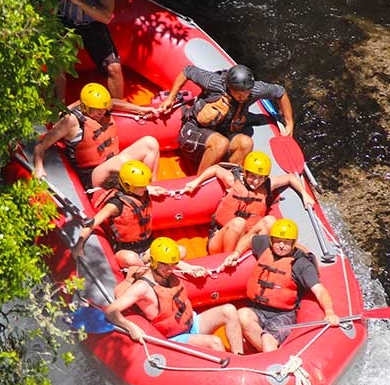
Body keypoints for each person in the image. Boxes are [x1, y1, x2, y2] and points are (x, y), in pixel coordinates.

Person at [105, 237, 244, 352]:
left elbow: (174, 264)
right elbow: (111, 311)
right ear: (154, 262)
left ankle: (239, 359)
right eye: (166, 265)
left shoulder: (168, 270)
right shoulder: (143, 287)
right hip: (174, 337)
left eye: (173, 264)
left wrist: (189, 267)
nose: (170, 269)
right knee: (215, 342)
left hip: (191, 323)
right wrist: (131, 327)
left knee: (229, 310)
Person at [226, 218, 340, 353]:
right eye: (278, 241)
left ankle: (271, 356)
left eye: (286, 243)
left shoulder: (301, 264)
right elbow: (251, 239)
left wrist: (329, 312)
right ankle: (263, 349)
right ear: (271, 240)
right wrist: (236, 253)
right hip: (258, 309)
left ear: (293, 244)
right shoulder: (265, 246)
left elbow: (320, 291)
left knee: (268, 342)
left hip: (283, 314)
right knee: (242, 314)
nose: (281, 245)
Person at [156, 63, 295, 173]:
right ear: (229, 87)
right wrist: (170, 99)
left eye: (246, 93)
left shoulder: (255, 90)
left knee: (246, 143)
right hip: (194, 131)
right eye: (238, 93)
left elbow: (280, 92)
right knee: (220, 143)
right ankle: (202, 182)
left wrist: (289, 124)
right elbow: (187, 71)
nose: (243, 97)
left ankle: (226, 179)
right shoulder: (214, 83)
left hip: (223, 132)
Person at [74, 160, 204, 275]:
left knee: (180, 251)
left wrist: (153, 189)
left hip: (148, 247)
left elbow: (147, 188)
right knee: (130, 259)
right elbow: (92, 223)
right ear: (127, 186)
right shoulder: (115, 205)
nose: (144, 188)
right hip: (126, 250)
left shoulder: (143, 191)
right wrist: (78, 245)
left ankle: (165, 266)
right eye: (140, 187)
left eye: (144, 185)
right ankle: (156, 270)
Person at [181, 151, 316, 254]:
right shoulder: (233, 180)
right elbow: (216, 169)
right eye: (252, 177)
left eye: (260, 178)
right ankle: (229, 258)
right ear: (245, 173)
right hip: (221, 238)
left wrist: (304, 194)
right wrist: (196, 182)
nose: (256, 182)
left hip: (247, 239)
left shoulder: (267, 184)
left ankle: (262, 255)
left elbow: (290, 178)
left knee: (270, 220)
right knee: (239, 222)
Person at [33, 82, 160, 188]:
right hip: (91, 175)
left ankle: (149, 184)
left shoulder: (102, 107)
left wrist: (140, 109)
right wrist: (39, 168)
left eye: (104, 109)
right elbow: (41, 146)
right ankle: (145, 188)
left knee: (150, 143)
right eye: (98, 110)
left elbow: (113, 103)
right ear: (85, 107)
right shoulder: (71, 121)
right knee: (122, 161)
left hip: (112, 162)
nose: (102, 112)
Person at [56, 0, 124, 101]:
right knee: (58, 66)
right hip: (67, 23)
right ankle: (58, 107)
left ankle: (120, 110)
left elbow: (106, 17)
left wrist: (78, 1)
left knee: (114, 68)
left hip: (92, 25)